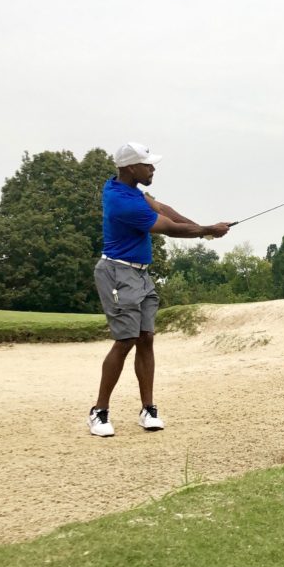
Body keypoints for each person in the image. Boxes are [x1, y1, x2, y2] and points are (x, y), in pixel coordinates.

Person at [89, 141, 231, 437]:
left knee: (146, 338)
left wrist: (203, 229)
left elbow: (163, 208)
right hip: (117, 273)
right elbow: (167, 226)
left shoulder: (130, 190)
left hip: (140, 274)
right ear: (131, 167)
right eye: (148, 164)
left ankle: (148, 409)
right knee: (125, 340)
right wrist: (206, 230)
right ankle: (99, 411)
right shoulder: (122, 202)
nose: (153, 168)